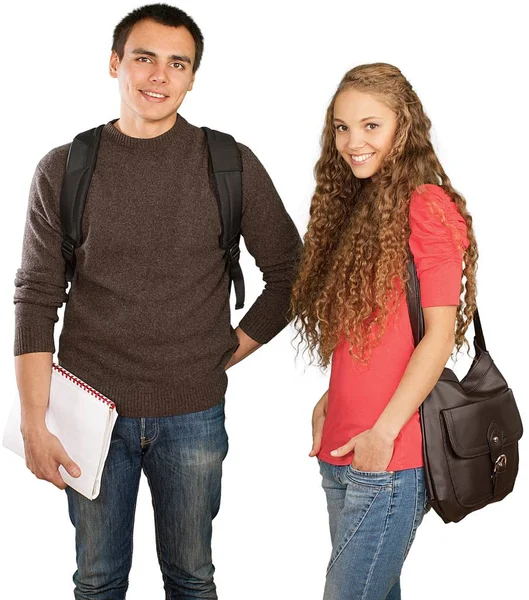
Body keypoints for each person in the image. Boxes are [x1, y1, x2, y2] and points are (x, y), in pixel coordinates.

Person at [13, 3, 301, 599]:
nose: (158, 76)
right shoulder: (64, 169)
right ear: (115, 63)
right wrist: (33, 421)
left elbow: (291, 274)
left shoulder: (229, 163)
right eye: (143, 58)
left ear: (193, 77)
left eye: (177, 63)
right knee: (97, 580)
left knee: (192, 577)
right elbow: (37, 298)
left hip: (193, 413)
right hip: (91, 410)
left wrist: (227, 351)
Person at [290, 63, 477, 600]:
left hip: (390, 452)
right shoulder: (363, 204)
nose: (353, 142)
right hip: (342, 443)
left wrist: (383, 432)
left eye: (371, 126)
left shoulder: (427, 206)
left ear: (403, 127)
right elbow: (376, 332)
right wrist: (333, 394)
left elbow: (438, 336)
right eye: (342, 127)